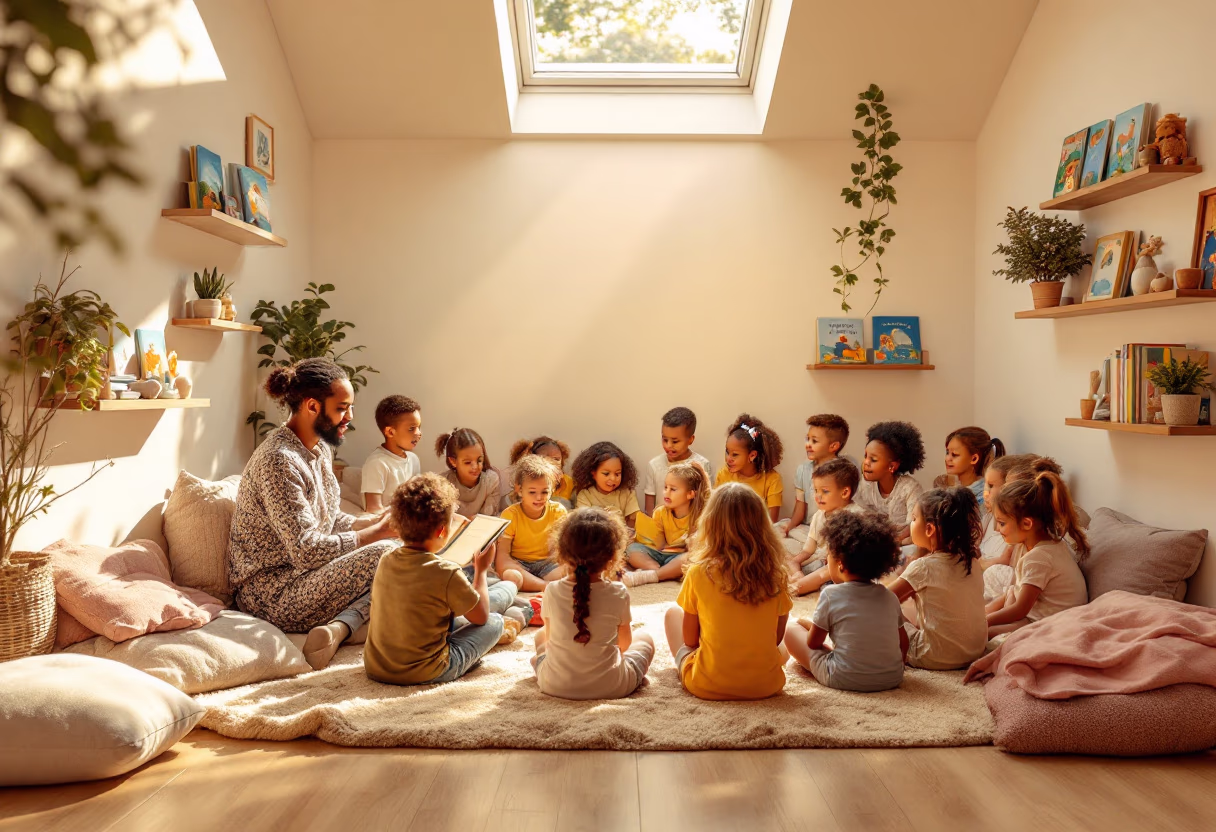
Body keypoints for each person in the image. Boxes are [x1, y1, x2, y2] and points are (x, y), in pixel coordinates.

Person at [229, 358, 399, 670]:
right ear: (312, 406)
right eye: (342, 408)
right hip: (272, 595)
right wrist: (375, 535)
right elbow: (307, 550)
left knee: (407, 547)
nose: (350, 417)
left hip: (308, 576)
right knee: (389, 554)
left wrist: (375, 521)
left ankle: (342, 628)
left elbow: (329, 518)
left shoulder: (319, 450)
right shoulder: (279, 461)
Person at [364, 474, 523, 686]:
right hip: (428, 671)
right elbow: (481, 618)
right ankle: (515, 593)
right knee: (495, 622)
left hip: (376, 667)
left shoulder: (387, 558)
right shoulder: (445, 571)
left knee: (468, 605)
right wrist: (481, 570)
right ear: (442, 530)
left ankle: (511, 590)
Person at [665, 482, 793, 701]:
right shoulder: (775, 575)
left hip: (706, 685)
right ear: (763, 527)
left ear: (710, 525)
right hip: (766, 685)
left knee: (671, 615)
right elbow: (776, 639)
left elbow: (690, 640)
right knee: (785, 649)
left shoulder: (698, 573)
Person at [532, 508, 654, 700]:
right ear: (613, 558)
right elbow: (624, 644)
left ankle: (539, 665)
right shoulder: (618, 592)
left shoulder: (552, 590)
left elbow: (548, 640)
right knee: (645, 639)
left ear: (561, 554)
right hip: (612, 686)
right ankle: (635, 678)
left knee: (540, 637)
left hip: (554, 685)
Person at [783, 511, 905, 692]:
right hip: (892, 677)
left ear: (841, 564)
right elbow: (903, 644)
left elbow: (813, 644)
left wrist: (812, 630)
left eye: (829, 557)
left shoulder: (831, 595)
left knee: (790, 630)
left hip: (842, 677)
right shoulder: (889, 596)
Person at [888, 488, 988, 669]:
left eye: (913, 519)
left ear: (929, 529)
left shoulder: (924, 567)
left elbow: (884, 600)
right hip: (975, 651)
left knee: (886, 611)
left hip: (935, 656)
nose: (911, 525)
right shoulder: (971, 561)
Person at [986, 470, 1089, 638]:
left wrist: (986, 622)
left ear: (1026, 523)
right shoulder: (1038, 545)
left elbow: (1020, 609)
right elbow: (1014, 592)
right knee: (989, 616)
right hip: (1035, 616)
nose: (997, 530)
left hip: (1051, 623)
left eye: (1002, 523)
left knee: (983, 634)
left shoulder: (1039, 558)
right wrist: (984, 614)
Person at [623, 461, 711, 586]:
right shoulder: (660, 512)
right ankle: (659, 571)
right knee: (631, 550)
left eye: (673, 489)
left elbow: (698, 548)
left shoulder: (700, 514)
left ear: (690, 494)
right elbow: (658, 545)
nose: (666, 492)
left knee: (691, 558)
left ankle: (653, 575)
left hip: (680, 556)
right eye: (665, 487)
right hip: (662, 554)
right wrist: (643, 535)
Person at [777, 414, 854, 555]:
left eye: (814, 441)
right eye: (808, 439)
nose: (808, 444)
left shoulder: (845, 470)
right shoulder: (803, 470)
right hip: (807, 529)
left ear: (833, 446)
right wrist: (789, 527)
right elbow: (800, 508)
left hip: (833, 529)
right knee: (776, 532)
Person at [789, 458, 866, 596]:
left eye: (824, 491)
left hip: (846, 568)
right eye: (816, 490)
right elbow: (808, 551)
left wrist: (800, 584)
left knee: (829, 587)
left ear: (844, 493)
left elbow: (845, 561)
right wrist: (796, 567)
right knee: (796, 566)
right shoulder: (819, 516)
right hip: (822, 564)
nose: (817, 497)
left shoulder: (855, 516)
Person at [496, 454, 570, 592]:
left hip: (547, 565)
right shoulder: (511, 514)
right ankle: (545, 587)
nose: (539, 497)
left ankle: (539, 585)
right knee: (511, 576)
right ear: (519, 490)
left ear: (552, 489)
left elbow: (561, 551)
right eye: (532, 492)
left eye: (544, 492)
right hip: (519, 564)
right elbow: (502, 556)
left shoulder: (558, 511)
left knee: (571, 572)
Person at [854, 421, 926, 546]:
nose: (866, 462)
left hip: (903, 545)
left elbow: (913, 527)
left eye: (873, 459)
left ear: (892, 466)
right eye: (866, 456)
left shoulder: (910, 489)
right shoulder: (863, 485)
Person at [643, 407, 714, 515]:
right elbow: (649, 510)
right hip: (661, 528)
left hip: (692, 527)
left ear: (690, 439)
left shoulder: (701, 465)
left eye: (675, 441)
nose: (668, 445)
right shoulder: (654, 465)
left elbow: (707, 504)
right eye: (665, 439)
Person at [715, 413, 785, 523]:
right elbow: (716, 511)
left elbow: (772, 521)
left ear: (752, 455)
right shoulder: (724, 474)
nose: (728, 459)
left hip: (758, 531)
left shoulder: (772, 479)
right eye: (727, 452)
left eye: (735, 454)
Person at [361, 395, 423, 513]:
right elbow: (373, 509)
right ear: (390, 432)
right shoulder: (377, 463)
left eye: (419, 427)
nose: (418, 433)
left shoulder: (414, 459)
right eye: (412, 429)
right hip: (389, 525)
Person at [435, 427, 501, 518]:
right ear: (453, 461)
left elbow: (490, 519)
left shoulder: (491, 481)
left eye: (479, 460)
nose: (475, 467)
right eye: (467, 462)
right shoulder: (442, 483)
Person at [935, 426, 1006, 512]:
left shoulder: (984, 498)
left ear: (974, 459)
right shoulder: (950, 489)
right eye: (947, 453)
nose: (947, 459)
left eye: (954, 454)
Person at [573, 441, 641, 527]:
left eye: (617, 474)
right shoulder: (585, 495)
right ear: (593, 473)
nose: (613, 478)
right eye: (606, 474)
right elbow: (583, 524)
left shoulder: (627, 493)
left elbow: (633, 522)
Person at [501, 436, 573, 510]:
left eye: (556, 459)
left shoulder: (568, 482)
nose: (552, 462)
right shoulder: (526, 480)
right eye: (545, 458)